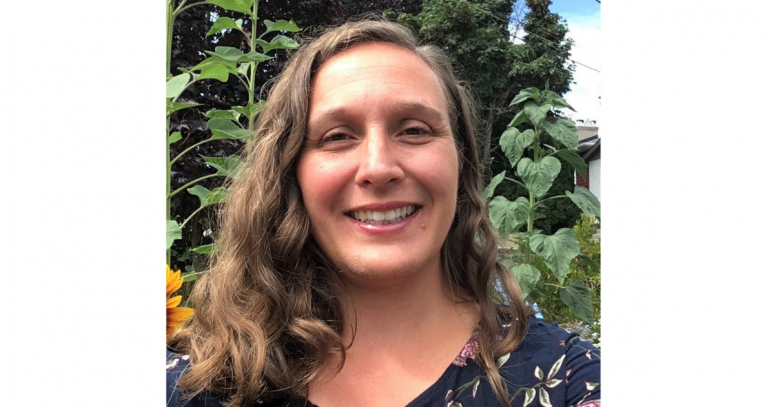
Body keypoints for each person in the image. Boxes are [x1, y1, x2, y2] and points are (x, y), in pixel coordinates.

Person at [167, 19, 600, 407]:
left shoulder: (573, 382)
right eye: (337, 136)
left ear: (461, 162)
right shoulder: (198, 386)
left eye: (414, 130)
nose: (378, 167)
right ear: (289, 173)